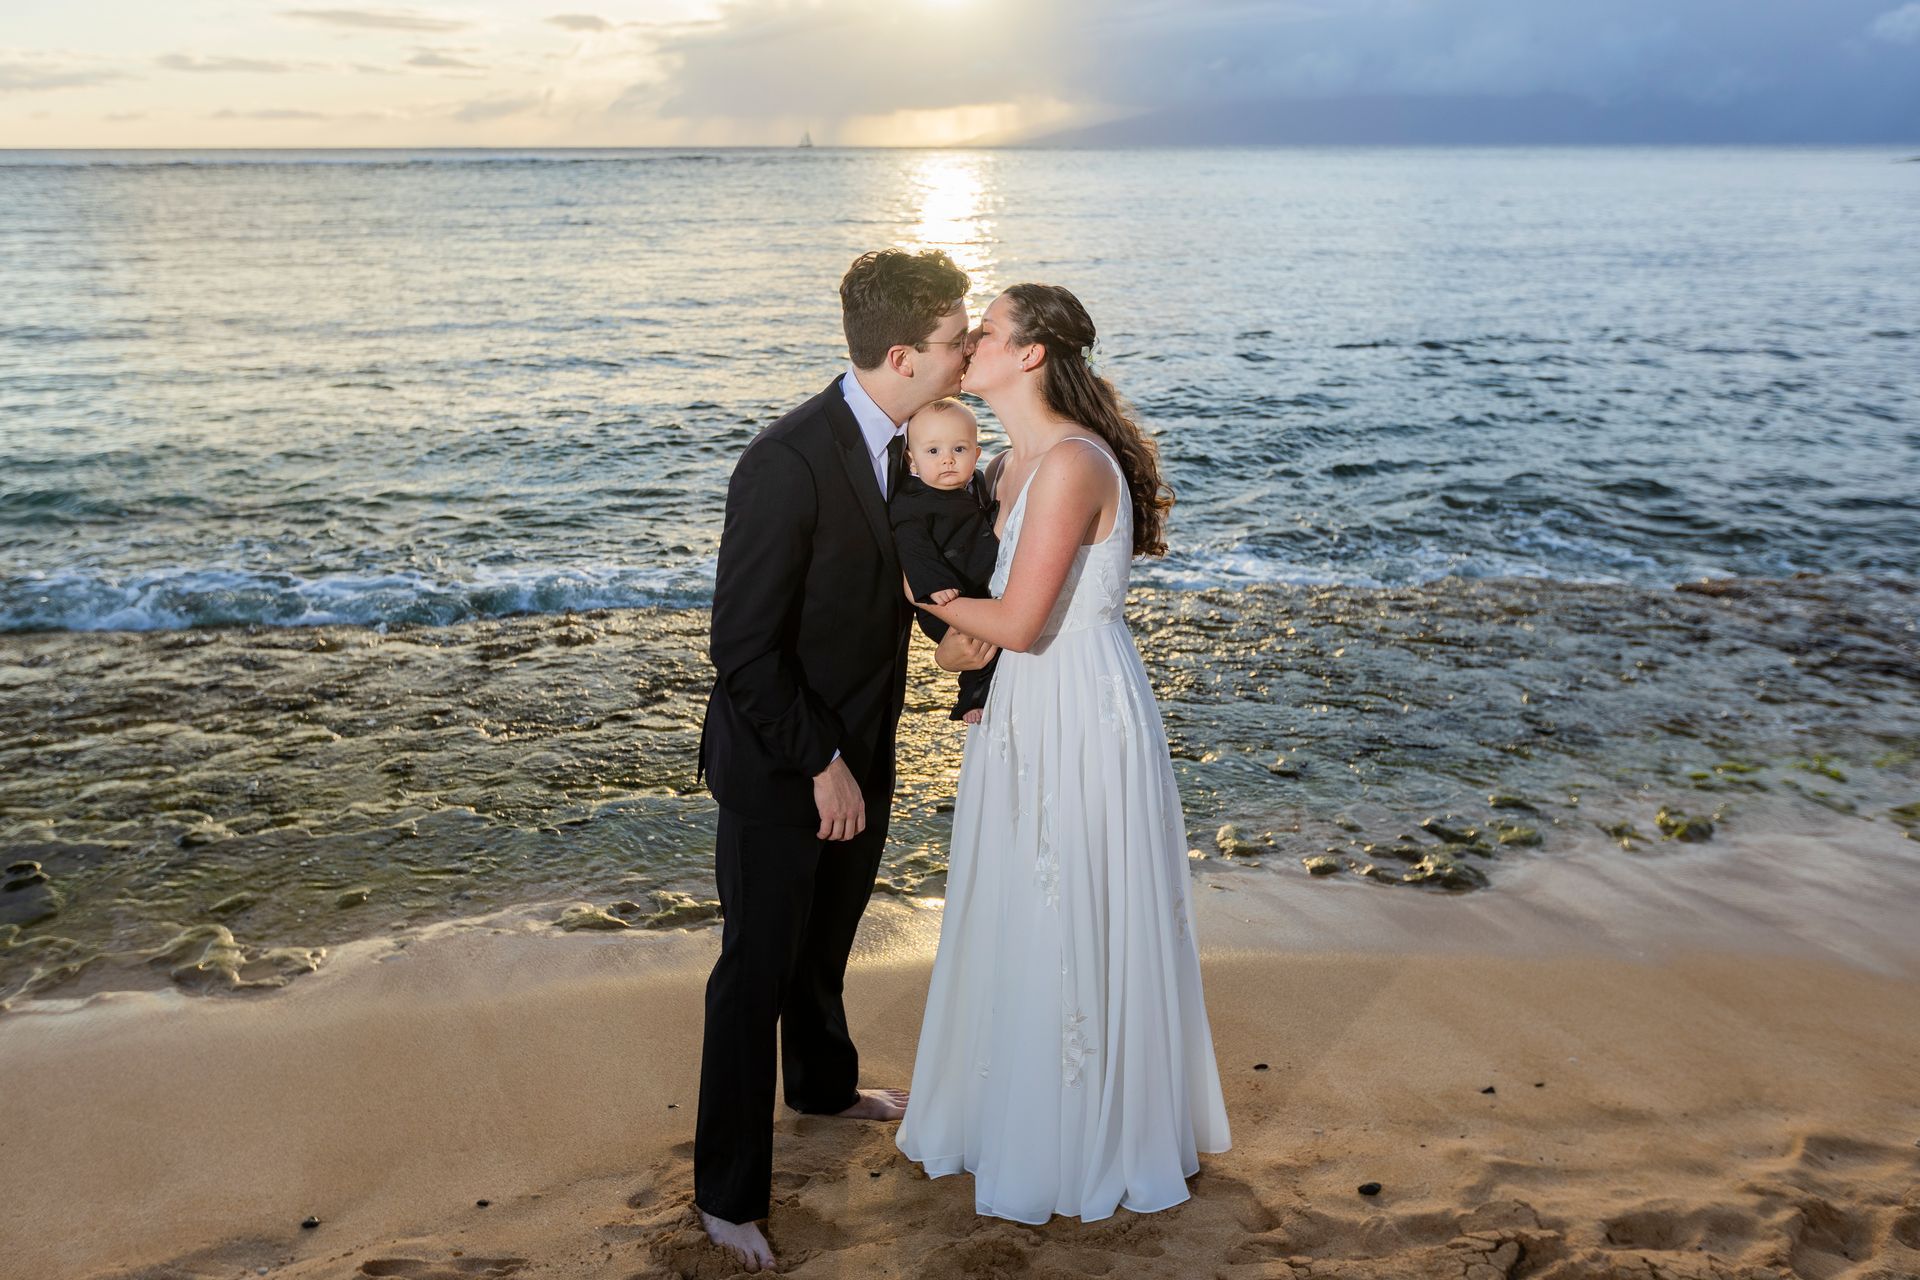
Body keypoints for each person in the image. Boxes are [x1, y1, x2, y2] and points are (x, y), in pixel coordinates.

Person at [894, 283, 1232, 1223]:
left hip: (1079, 707)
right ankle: (1014, 1110)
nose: (969, 345)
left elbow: (1021, 618)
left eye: (987, 333)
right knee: (1016, 895)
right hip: (1018, 707)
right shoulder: (999, 468)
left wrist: (930, 605)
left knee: (1072, 894)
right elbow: (982, 622)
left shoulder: (1074, 466)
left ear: (1031, 355)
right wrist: (953, 635)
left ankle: (1084, 1137)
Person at [694, 247, 977, 1273]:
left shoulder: (912, 444)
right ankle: (726, 1195)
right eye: (957, 338)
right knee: (754, 972)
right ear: (904, 352)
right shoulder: (787, 459)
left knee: (826, 943)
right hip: (784, 766)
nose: (970, 351)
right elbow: (743, 645)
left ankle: (821, 1084)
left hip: (866, 750)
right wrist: (819, 760)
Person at [889, 397, 1000, 724]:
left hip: (976, 584)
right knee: (981, 652)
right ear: (912, 460)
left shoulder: (976, 482)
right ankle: (971, 700)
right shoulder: (912, 503)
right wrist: (935, 585)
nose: (948, 460)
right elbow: (912, 546)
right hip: (943, 597)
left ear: (977, 454)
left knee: (995, 647)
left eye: (959, 450)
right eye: (933, 451)